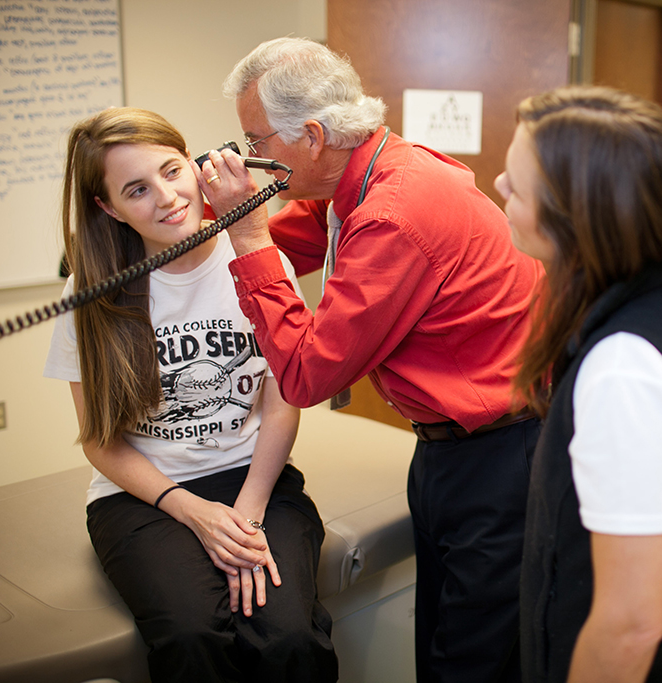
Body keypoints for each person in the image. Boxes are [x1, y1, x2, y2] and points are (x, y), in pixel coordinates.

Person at [198, 37, 543, 683]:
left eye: (255, 140)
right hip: (451, 449)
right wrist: (200, 221)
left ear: (310, 134)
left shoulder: (395, 209)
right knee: (444, 638)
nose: (248, 156)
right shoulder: (367, 172)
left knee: (468, 661)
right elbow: (294, 241)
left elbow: (305, 374)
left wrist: (242, 232)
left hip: (501, 461)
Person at [43, 107, 337, 682]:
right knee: (192, 634)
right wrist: (195, 513)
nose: (168, 197)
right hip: (145, 496)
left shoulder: (257, 256)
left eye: (171, 171)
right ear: (109, 208)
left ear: (197, 166)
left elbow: (284, 400)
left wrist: (245, 518)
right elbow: (100, 442)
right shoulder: (91, 291)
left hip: (254, 479)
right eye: (136, 189)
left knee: (291, 638)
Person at [494, 85, 662, 683]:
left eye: (516, 184)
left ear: (580, 216)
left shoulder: (626, 367)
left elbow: (630, 623)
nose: (500, 188)